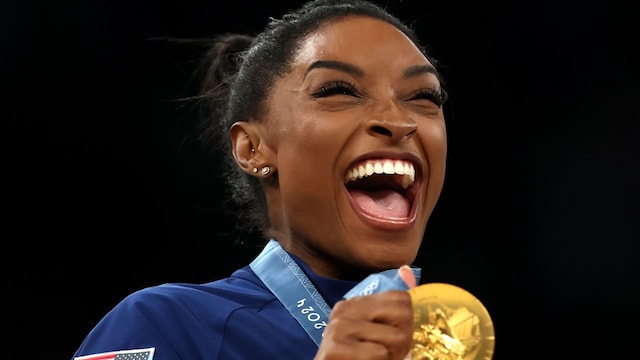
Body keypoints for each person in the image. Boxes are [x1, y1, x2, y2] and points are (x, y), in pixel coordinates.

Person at [72, 0, 449, 359]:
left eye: (423, 97)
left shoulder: (451, 342)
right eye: (339, 91)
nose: (400, 121)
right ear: (253, 148)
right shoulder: (165, 325)